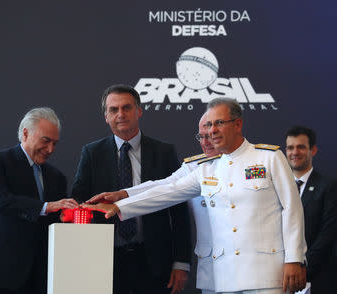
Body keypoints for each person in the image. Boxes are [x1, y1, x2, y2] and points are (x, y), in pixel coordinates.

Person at [85, 98, 307, 294]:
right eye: (208, 126)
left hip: (266, 275)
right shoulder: (206, 169)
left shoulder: (269, 158)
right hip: (223, 277)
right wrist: (121, 205)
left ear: (237, 124)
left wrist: (295, 258)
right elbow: (166, 190)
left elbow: (292, 209)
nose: (211, 132)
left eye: (218, 123)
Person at [71, 84, 191, 294]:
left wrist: (181, 263)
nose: (120, 114)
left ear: (139, 111)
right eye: (113, 110)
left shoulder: (164, 152)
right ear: (106, 117)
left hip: (155, 260)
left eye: (126, 108)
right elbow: (80, 202)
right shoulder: (92, 153)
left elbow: (179, 210)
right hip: (105, 259)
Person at [93, 111, 221, 294]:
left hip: (258, 271)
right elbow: (164, 188)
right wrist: (122, 197)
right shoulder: (196, 168)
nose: (205, 142)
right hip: (216, 272)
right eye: (202, 136)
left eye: (212, 135)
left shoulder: (264, 159)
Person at [0, 107, 78, 294]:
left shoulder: (57, 177)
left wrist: (66, 216)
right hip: (2, 271)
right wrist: (47, 206)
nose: (50, 149)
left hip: (42, 275)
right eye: (46, 141)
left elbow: (51, 221)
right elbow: (2, 201)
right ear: (26, 133)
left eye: (55, 143)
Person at [285, 126, 337, 294]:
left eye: (301, 147)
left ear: (313, 150)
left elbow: (327, 234)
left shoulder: (329, 186)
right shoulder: (278, 187)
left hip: (318, 278)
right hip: (282, 278)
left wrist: (301, 266)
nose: (295, 152)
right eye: (290, 147)